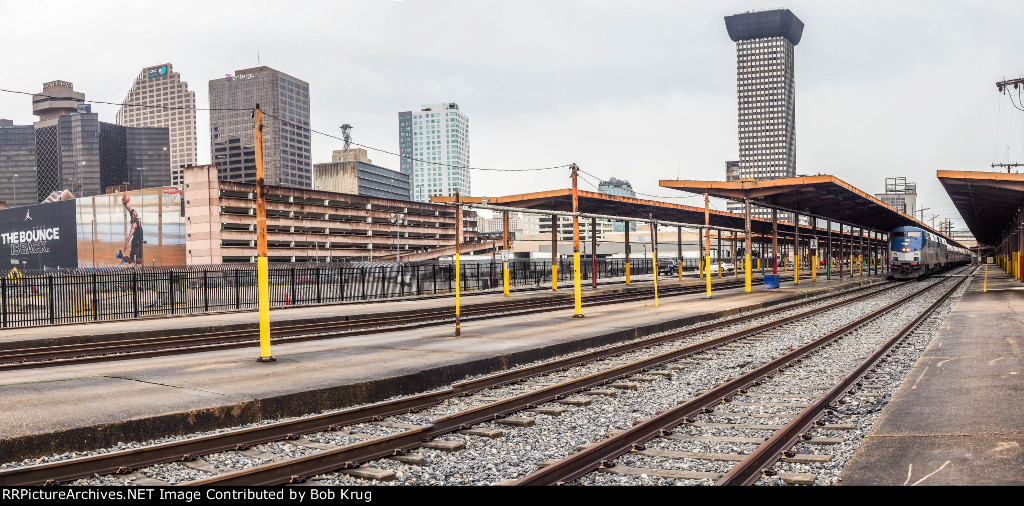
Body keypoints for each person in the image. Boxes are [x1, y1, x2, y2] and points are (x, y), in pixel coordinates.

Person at [117, 193, 144, 265]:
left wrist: (124, 202)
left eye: (134, 211)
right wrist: (126, 244)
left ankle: (125, 258)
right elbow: (130, 235)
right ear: (133, 216)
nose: (135, 212)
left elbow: (128, 207)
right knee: (131, 260)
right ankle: (121, 256)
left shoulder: (132, 212)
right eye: (134, 212)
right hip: (136, 244)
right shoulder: (134, 224)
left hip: (139, 243)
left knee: (139, 261)